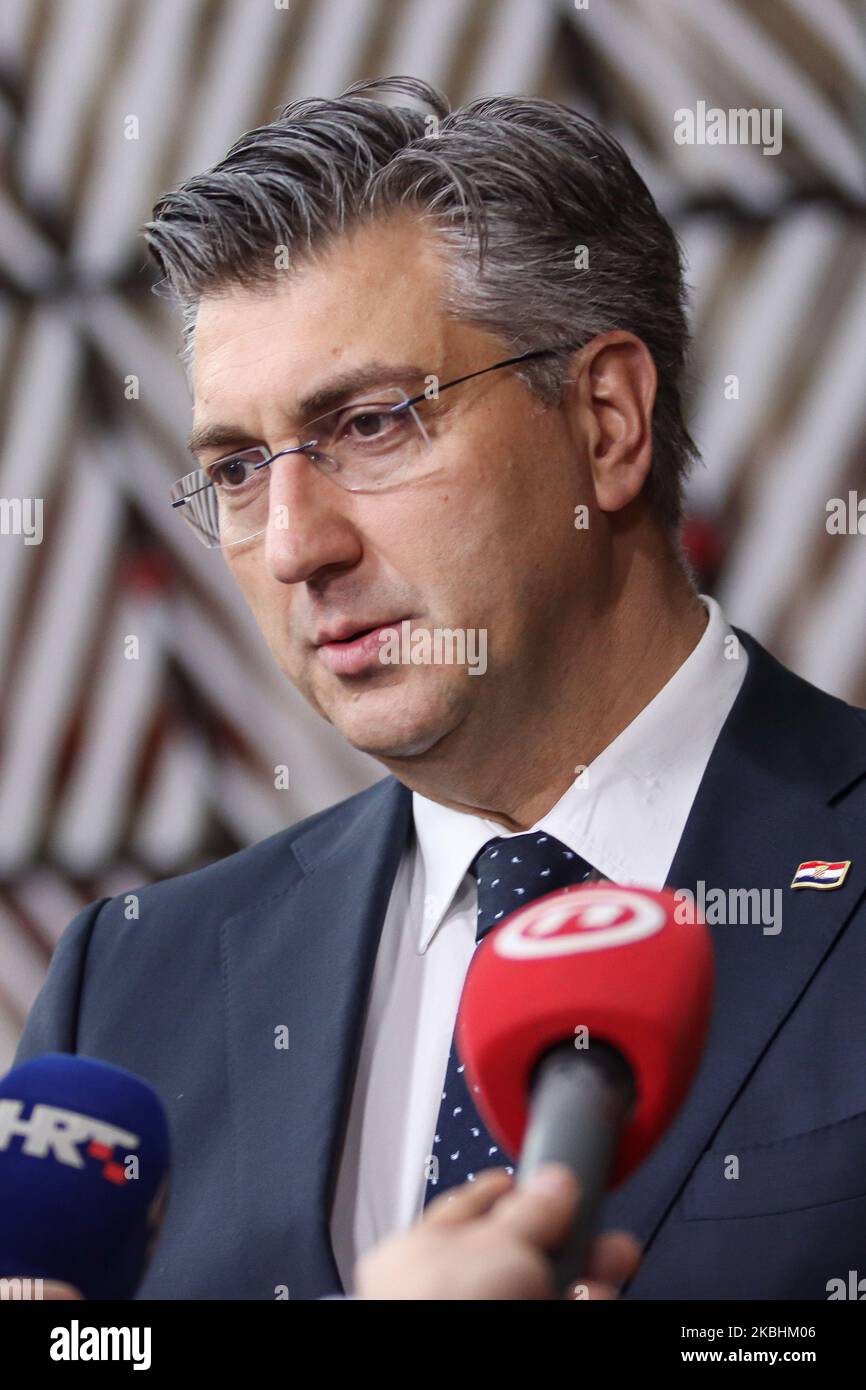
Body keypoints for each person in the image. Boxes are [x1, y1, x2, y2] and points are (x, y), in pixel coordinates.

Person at [14, 76, 866, 1301]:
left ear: (607, 421)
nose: (298, 543)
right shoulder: (130, 993)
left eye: (367, 425)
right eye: (240, 469)